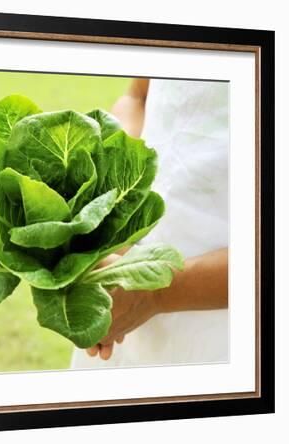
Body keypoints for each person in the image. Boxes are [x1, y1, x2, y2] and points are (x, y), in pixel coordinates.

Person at [71, 78, 229, 367]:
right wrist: (112, 190)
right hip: (119, 296)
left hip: (226, 330)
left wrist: (155, 292)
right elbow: (137, 97)